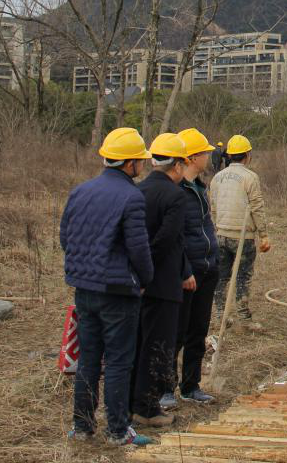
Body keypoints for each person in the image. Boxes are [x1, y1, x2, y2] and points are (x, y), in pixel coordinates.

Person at [59, 127, 154, 446]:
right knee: (117, 362)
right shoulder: (131, 197)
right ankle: (117, 430)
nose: (143, 166)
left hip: (85, 290)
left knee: (88, 360)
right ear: (129, 164)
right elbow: (139, 249)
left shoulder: (80, 191)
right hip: (118, 293)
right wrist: (145, 280)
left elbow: (65, 238)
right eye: (140, 160)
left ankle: (83, 427)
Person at [131, 132, 192, 427]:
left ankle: (132, 402)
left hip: (136, 282)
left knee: (138, 342)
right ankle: (147, 407)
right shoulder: (175, 196)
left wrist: (137, 272)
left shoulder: (137, 191)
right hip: (162, 283)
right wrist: (151, 270)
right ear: (178, 165)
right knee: (159, 345)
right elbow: (166, 240)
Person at [166, 127, 220, 408]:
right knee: (176, 331)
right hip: (185, 273)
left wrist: (215, 258)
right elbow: (175, 237)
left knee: (197, 331)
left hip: (207, 269)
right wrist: (185, 268)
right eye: (205, 152)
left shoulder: (199, 187)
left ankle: (191, 385)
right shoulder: (176, 191)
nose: (209, 155)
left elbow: (204, 227)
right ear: (192, 157)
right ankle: (166, 388)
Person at [210, 134, 272, 320]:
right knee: (243, 276)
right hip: (243, 237)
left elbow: (213, 207)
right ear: (247, 154)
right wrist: (264, 234)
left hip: (220, 234)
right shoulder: (250, 177)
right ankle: (243, 316)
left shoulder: (216, 178)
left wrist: (217, 228)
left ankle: (221, 314)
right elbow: (257, 207)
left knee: (221, 277)